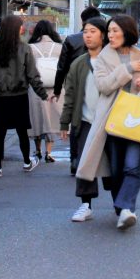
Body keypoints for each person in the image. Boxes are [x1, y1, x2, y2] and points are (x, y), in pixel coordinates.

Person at [75, 14, 140, 230]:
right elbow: (103, 85)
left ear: (127, 31)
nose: (110, 35)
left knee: (132, 166)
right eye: (109, 31)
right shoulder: (103, 57)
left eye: (115, 30)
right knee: (115, 170)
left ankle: (126, 208)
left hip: (138, 121)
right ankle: (121, 207)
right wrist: (128, 69)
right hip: (113, 122)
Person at [59, 16, 110, 222]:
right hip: (86, 121)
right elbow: (70, 94)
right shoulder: (78, 64)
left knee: (112, 165)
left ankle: (120, 204)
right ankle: (85, 205)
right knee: (84, 163)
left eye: (92, 32)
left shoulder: (112, 60)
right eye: (85, 32)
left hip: (110, 122)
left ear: (103, 35)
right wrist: (65, 122)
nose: (87, 36)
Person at [0, 15, 48, 176]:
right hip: (19, 96)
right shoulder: (25, 49)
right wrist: (43, 94)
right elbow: (32, 75)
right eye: (21, 26)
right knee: (22, 132)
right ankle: (27, 161)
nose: (23, 28)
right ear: (15, 29)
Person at [54, 6, 101, 175]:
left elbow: (61, 67)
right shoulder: (105, 40)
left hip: (74, 87)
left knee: (77, 123)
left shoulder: (72, 39)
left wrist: (57, 89)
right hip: (99, 88)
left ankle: (75, 159)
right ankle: (96, 160)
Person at [28, 20, 63, 163]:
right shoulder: (59, 47)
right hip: (54, 88)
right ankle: (49, 152)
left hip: (35, 88)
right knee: (51, 119)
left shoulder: (30, 48)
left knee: (36, 119)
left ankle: (37, 150)